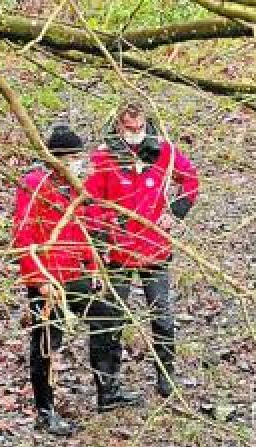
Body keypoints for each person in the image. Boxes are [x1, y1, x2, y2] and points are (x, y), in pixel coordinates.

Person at [12, 122, 142, 436]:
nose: (78, 163)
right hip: (47, 280)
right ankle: (46, 410)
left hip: (74, 273)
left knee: (108, 318)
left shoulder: (73, 187)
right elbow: (23, 235)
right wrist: (37, 279)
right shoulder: (34, 184)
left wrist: (92, 267)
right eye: (73, 157)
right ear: (57, 158)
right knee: (47, 342)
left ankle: (107, 391)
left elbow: (81, 230)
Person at [85, 101, 200, 397]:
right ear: (118, 126)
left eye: (139, 128)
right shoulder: (104, 157)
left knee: (162, 316)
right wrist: (105, 234)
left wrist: (174, 212)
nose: (135, 133)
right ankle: (107, 387)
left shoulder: (163, 151)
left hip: (154, 248)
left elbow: (191, 181)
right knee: (111, 318)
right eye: (129, 128)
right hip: (118, 252)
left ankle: (166, 376)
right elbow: (91, 203)